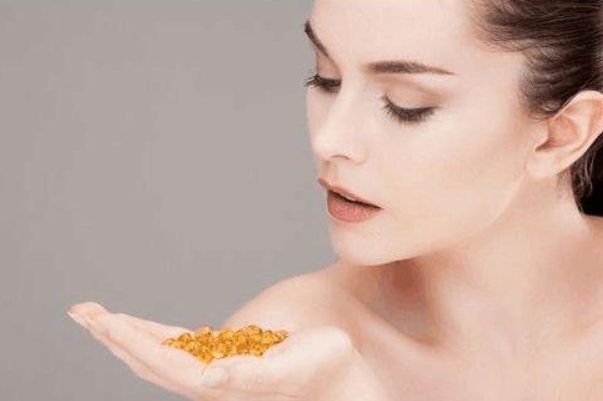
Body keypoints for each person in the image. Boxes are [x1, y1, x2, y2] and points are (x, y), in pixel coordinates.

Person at [68, 0, 603, 399]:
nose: (329, 140)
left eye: (406, 104)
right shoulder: (287, 350)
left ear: (560, 135)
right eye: (324, 77)